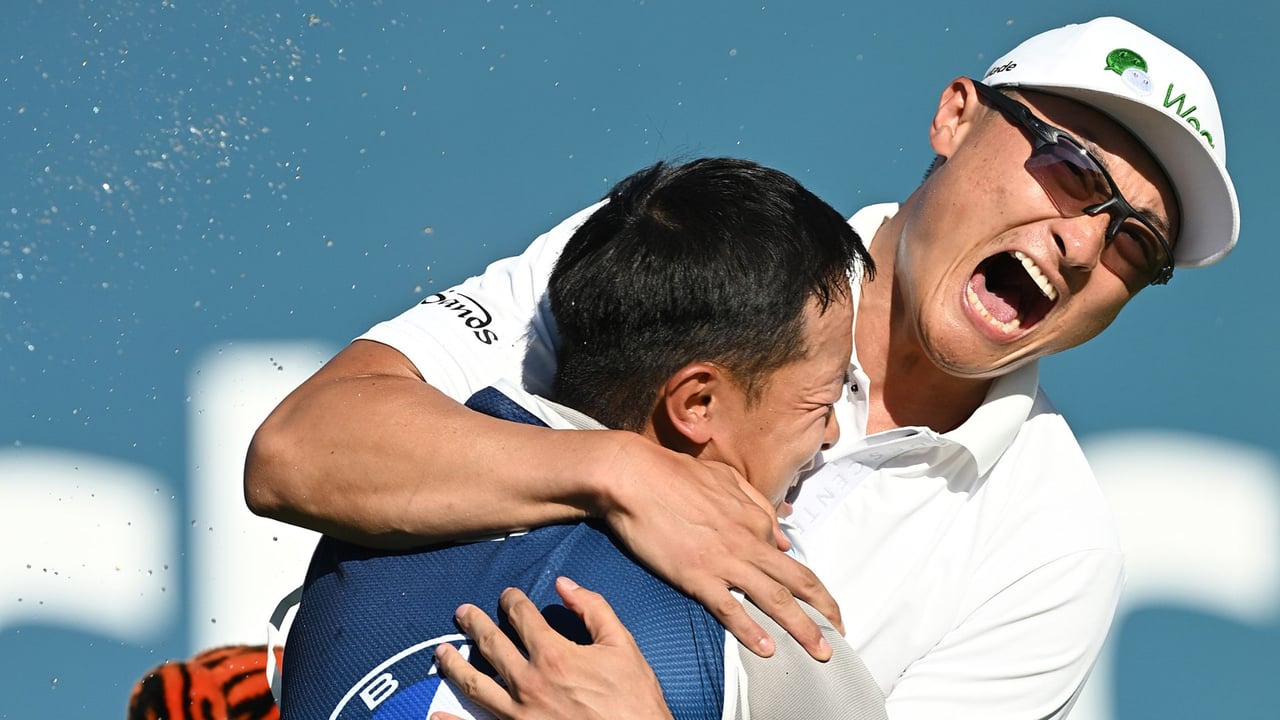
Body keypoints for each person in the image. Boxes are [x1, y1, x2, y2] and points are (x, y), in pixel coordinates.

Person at [245, 16, 1239, 720]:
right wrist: (622, 474)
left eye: (1132, 245)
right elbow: (296, 454)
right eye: (1069, 169)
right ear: (953, 118)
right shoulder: (709, 244)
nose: (1077, 242)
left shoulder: (1048, 543)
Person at [275, 158, 885, 720]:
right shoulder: (766, 633)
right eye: (822, 401)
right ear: (697, 403)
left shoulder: (361, 537)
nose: (832, 433)